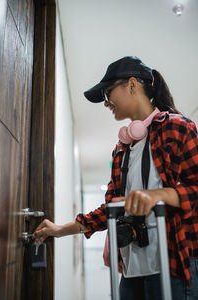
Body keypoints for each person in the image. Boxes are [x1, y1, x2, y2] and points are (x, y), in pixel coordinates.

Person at [33, 56, 198, 300]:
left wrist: (159, 195)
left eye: (108, 92)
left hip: (173, 266)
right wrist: (59, 230)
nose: (106, 102)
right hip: (132, 271)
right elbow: (111, 209)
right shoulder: (122, 149)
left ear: (132, 84)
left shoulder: (177, 128)